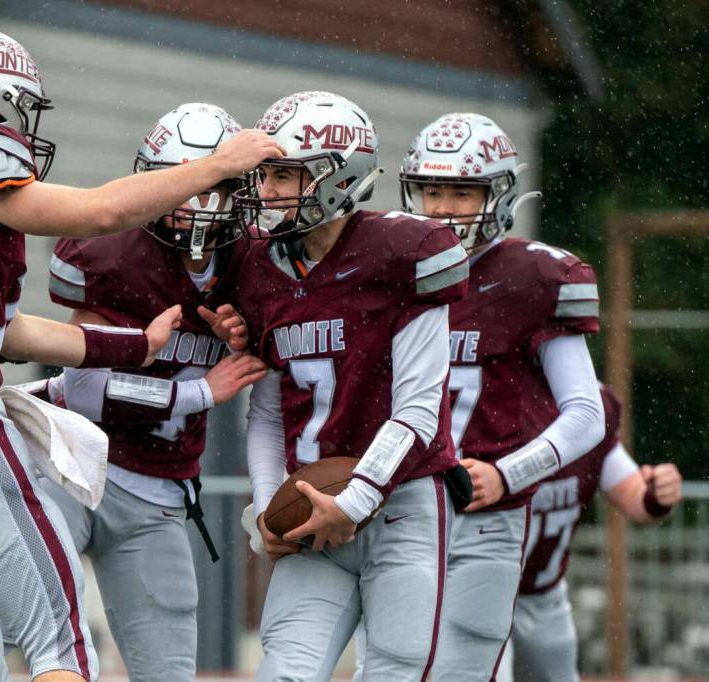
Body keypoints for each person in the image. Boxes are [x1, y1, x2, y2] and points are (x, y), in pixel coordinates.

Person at [0, 26, 282, 681]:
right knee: (59, 647)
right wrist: (214, 166)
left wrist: (138, 344)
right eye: (11, 109)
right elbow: (95, 212)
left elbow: (10, 334)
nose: (18, 129)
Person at [220, 90, 469, 681]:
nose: (270, 191)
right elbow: (267, 411)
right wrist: (267, 509)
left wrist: (353, 503)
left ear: (340, 175)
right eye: (267, 175)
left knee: (396, 670)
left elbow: (417, 409)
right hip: (312, 503)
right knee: (284, 671)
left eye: (286, 174)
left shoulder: (405, 251)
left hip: (402, 497)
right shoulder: (258, 265)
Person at [42, 102, 267, 681]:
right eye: (184, 185)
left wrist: (248, 337)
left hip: (160, 489)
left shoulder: (253, 261)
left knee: (167, 668)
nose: (195, 204)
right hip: (68, 467)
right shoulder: (112, 251)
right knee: (36, 646)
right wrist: (201, 394)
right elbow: (87, 389)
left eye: (216, 188)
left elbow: (271, 366)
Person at [399, 112, 605, 680]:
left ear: (501, 193)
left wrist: (509, 473)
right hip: (400, 509)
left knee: (463, 670)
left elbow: (585, 415)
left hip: (481, 510)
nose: (441, 208)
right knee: (393, 665)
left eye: (462, 192)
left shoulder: (533, 277)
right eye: (432, 189)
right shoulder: (390, 267)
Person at [496, 386, 682, 682]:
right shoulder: (496, 393)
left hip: (543, 596)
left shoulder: (590, 405)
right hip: (484, 587)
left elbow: (637, 497)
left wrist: (659, 494)